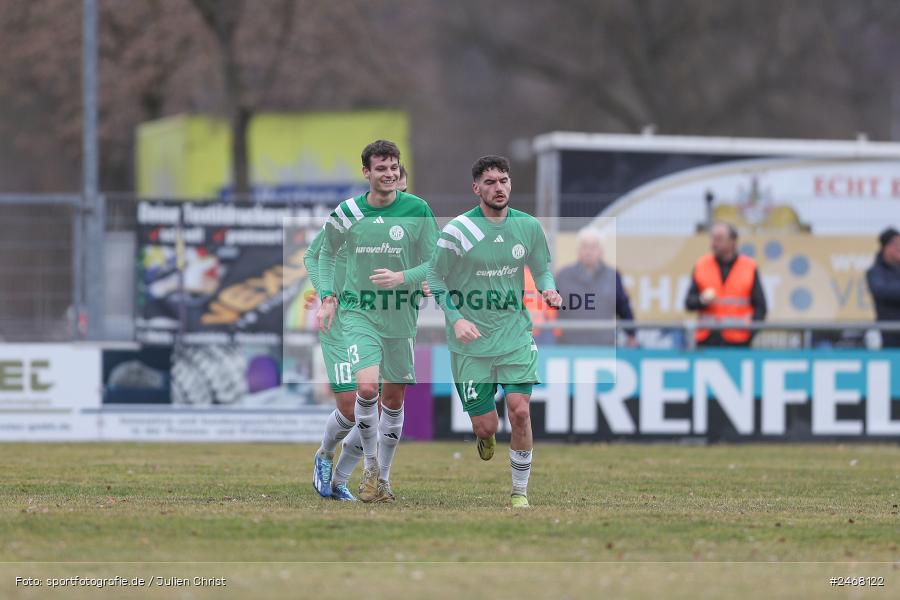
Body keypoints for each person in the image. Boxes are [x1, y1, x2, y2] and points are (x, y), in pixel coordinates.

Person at [427, 155, 561, 508]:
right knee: (487, 426)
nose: (498, 187)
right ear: (476, 188)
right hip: (470, 341)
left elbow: (541, 267)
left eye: (503, 180)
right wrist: (455, 317)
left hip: (515, 334)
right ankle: (484, 436)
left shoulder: (528, 227)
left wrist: (548, 288)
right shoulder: (458, 231)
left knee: (519, 411)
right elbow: (434, 277)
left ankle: (520, 492)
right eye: (489, 182)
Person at [316, 140, 438, 503]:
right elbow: (324, 253)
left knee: (393, 401)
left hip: (401, 317)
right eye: (381, 168)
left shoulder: (417, 209)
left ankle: (377, 479)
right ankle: (366, 467)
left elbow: (435, 262)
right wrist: (327, 297)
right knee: (365, 390)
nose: (388, 174)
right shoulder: (348, 212)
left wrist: (406, 278)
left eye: (393, 167)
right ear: (366, 173)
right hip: (358, 313)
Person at [684, 222, 766, 347]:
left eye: (720, 239)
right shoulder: (702, 265)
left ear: (733, 241)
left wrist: (751, 332)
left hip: (739, 340)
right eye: (713, 239)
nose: (714, 244)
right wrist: (702, 300)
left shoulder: (749, 267)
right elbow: (689, 302)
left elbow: (760, 306)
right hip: (707, 338)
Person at [554, 227, 635, 346]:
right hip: (570, 346)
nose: (588, 251)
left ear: (601, 251)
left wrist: (631, 334)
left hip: (604, 346)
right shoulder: (564, 276)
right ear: (578, 250)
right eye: (584, 247)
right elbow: (552, 310)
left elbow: (623, 307)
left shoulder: (612, 276)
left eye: (593, 247)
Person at [866, 227, 900, 348]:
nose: (899, 248)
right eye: (896, 244)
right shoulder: (875, 272)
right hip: (889, 336)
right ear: (886, 247)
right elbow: (880, 290)